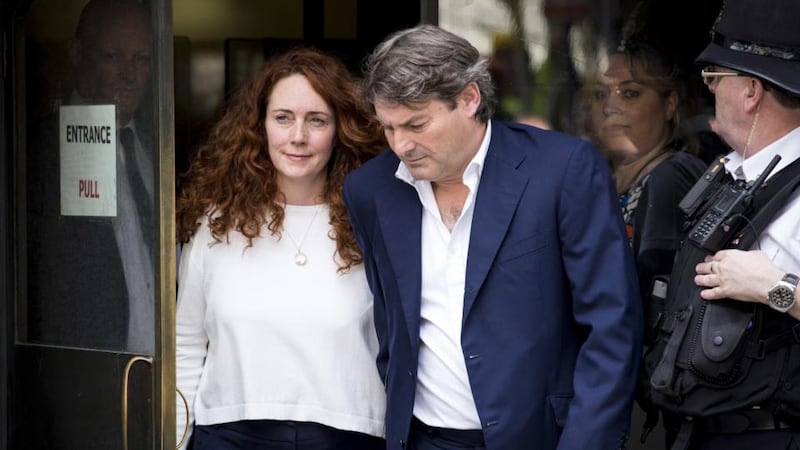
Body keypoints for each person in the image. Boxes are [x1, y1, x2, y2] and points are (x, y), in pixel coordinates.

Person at [344, 24, 643, 450]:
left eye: (416, 124)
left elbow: (612, 329)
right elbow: (392, 328)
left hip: (542, 438)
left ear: (469, 98)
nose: (401, 145)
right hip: (423, 438)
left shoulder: (563, 170)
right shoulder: (370, 190)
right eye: (389, 128)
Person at [175, 47, 387, 450]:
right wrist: (175, 440)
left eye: (317, 120)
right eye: (283, 118)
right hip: (229, 433)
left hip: (346, 434)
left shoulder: (373, 222)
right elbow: (186, 343)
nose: (298, 137)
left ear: (340, 129)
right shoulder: (217, 225)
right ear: (260, 126)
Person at [641, 0, 800, 448]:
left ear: (751, 91)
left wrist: (775, 287)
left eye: (714, 78)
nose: (708, 90)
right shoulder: (732, 173)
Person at [25, 0, 155, 353]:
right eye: (112, 57)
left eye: (141, 59)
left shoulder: (160, 147)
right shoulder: (37, 153)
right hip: (83, 377)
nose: (128, 75)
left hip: (160, 375)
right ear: (78, 54)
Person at [588, 37, 706, 305]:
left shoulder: (671, 179)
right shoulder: (594, 178)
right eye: (600, 94)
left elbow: (658, 297)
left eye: (630, 93)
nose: (609, 107)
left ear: (669, 104)